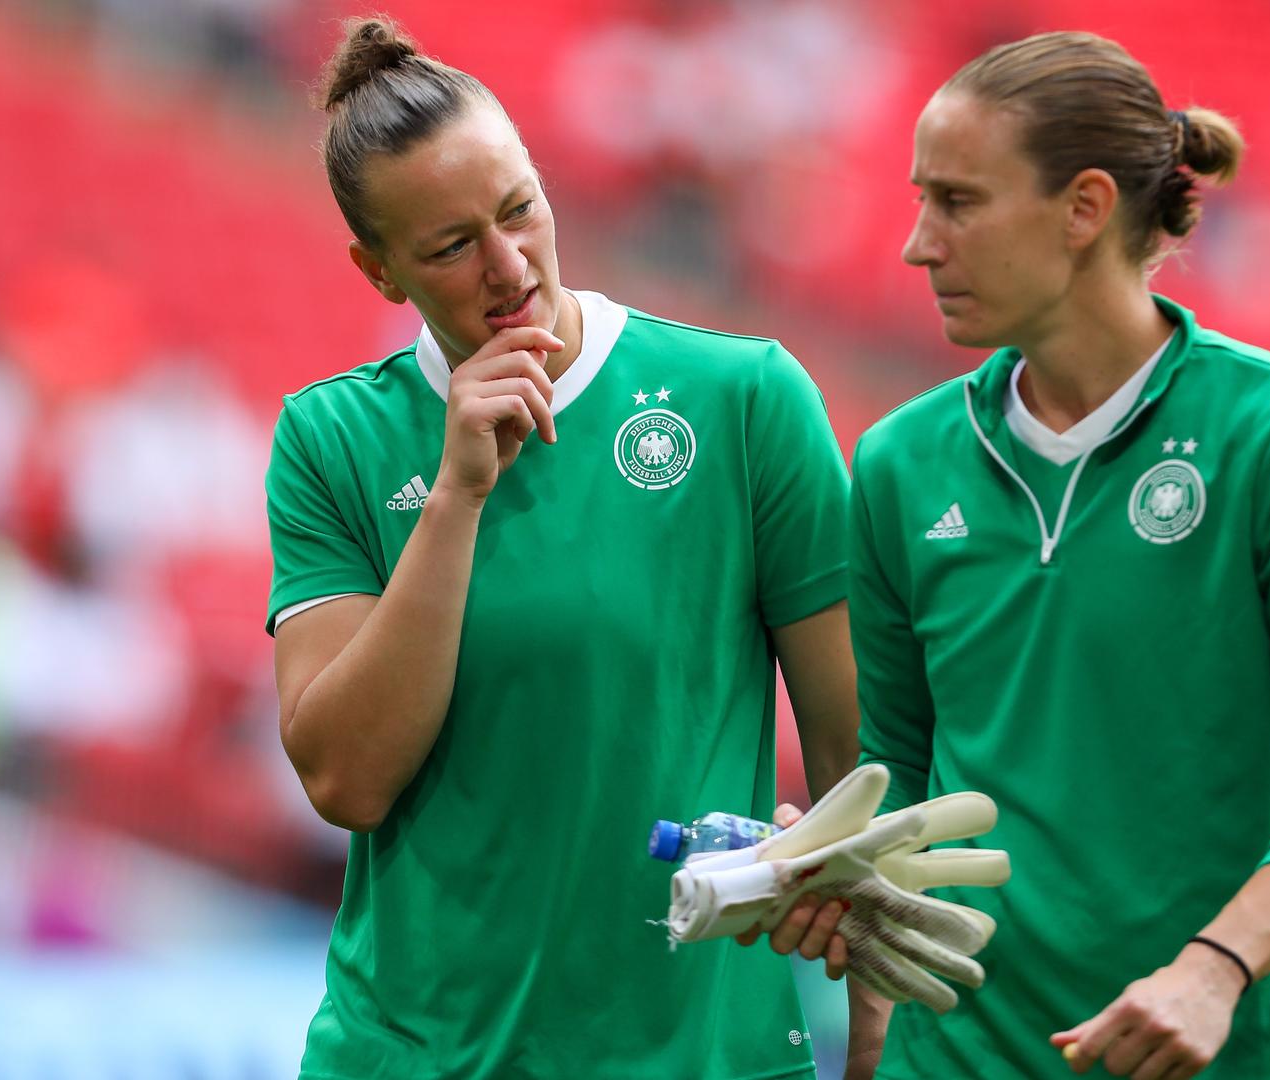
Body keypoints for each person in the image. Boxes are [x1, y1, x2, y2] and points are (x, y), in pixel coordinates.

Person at [773, 30, 1270, 1079]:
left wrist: (1216, 967)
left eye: (957, 202)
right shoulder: (901, 464)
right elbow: (894, 782)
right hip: (961, 1060)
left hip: (1234, 1053)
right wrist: (835, 896)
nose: (915, 243)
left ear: (1083, 209)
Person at [264, 18, 860, 1079]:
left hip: (703, 1055)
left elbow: (862, 756)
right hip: (412, 1055)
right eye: (451, 247)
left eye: (518, 209)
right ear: (379, 268)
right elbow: (345, 779)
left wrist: (878, 1037)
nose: (508, 267)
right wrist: (455, 496)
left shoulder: (747, 402)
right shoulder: (332, 440)